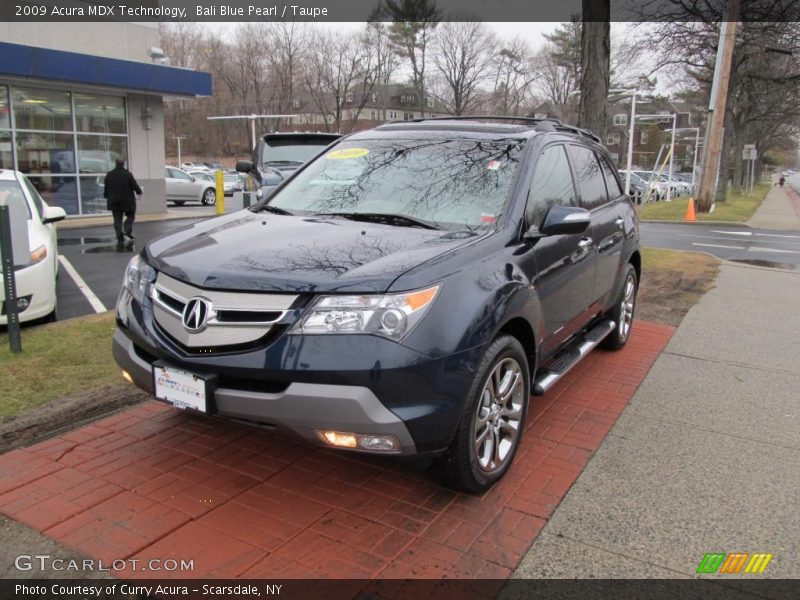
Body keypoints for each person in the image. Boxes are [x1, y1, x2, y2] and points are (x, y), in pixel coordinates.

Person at [104, 159, 142, 247]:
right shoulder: (127, 174)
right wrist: (139, 191)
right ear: (123, 164)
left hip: (114, 201)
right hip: (127, 201)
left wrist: (106, 195)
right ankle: (127, 229)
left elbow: (106, 187)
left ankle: (120, 237)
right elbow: (134, 186)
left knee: (117, 219)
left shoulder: (109, 174)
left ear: (115, 164)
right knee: (131, 215)